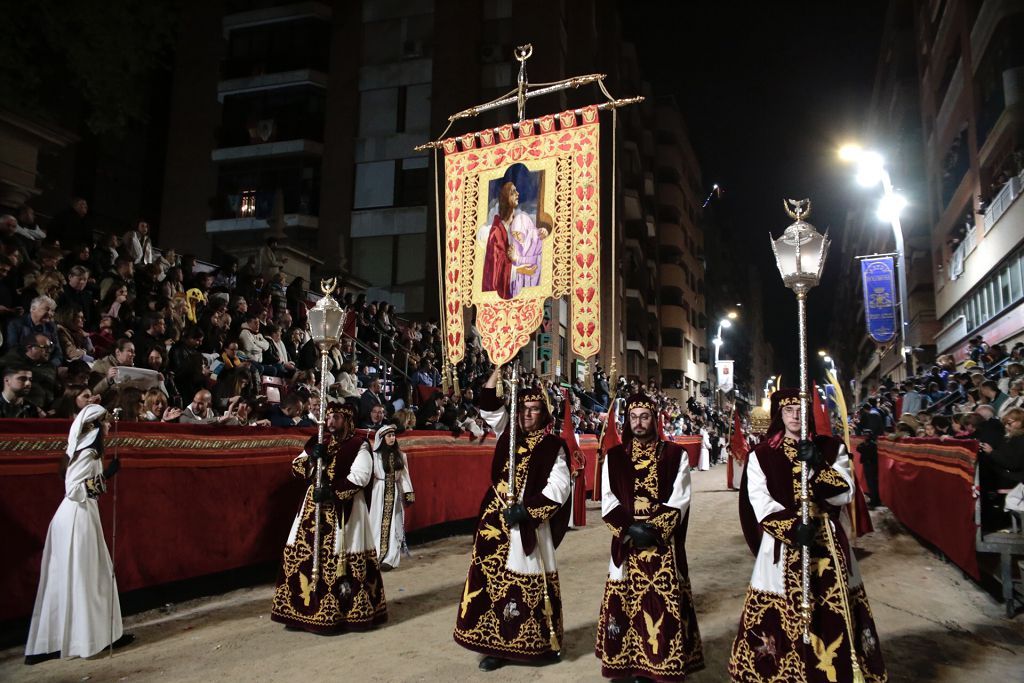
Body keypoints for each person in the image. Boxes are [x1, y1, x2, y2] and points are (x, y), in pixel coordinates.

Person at [728, 389, 886, 682]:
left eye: (801, 409)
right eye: (789, 410)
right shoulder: (761, 455)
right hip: (782, 543)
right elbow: (759, 500)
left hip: (826, 539)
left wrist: (818, 466)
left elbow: (845, 493)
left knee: (832, 610)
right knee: (781, 610)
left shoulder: (830, 448)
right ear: (779, 414)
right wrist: (790, 526)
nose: (796, 416)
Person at [453, 366, 572, 671]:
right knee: (491, 582)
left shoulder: (552, 447)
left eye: (534, 410)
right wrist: (498, 367)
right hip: (495, 521)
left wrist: (528, 511)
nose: (528, 415)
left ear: (544, 414)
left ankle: (536, 642)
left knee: (524, 580)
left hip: (526, 521)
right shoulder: (508, 432)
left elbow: (559, 488)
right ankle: (495, 646)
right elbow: (489, 402)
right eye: (524, 409)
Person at [595, 392, 704, 681]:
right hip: (628, 540)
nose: (639, 422)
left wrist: (653, 530)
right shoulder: (615, 457)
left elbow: (679, 498)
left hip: (661, 543)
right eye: (633, 417)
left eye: (644, 417)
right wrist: (629, 529)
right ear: (627, 421)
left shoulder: (674, 455)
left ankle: (658, 665)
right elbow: (608, 499)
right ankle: (625, 665)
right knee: (626, 602)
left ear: (655, 419)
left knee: (659, 604)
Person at [24, 405, 134, 664]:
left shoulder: (82, 451)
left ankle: (60, 641)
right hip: (78, 516)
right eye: (104, 423)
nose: (108, 427)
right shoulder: (88, 452)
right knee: (90, 576)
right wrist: (106, 475)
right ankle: (93, 638)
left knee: (73, 577)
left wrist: (104, 474)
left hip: (77, 515)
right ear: (94, 426)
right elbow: (75, 489)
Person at [270, 402, 387, 632]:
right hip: (312, 510)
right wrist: (313, 459)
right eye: (328, 417)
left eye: (335, 418)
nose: (330, 422)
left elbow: (361, 476)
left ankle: (345, 615)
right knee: (303, 555)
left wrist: (332, 493)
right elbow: (296, 466)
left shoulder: (358, 445)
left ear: (347, 419)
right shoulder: (318, 441)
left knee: (342, 558)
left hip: (345, 512)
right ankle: (302, 612)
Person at [365, 424, 415, 570]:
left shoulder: (401, 455)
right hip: (377, 492)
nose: (392, 438)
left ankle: (390, 557)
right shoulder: (374, 456)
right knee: (376, 522)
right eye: (389, 436)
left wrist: (408, 493)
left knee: (393, 523)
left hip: (393, 493)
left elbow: (404, 477)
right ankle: (375, 554)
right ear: (381, 438)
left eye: (393, 435)